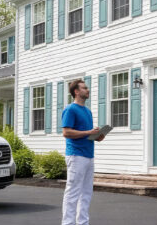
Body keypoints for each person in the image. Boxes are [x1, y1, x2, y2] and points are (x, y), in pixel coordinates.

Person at [61, 79, 105, 225]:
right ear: (76, 91)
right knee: (73, 192)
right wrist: (88, 132)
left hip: (89, 155)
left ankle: (83, 223)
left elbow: (87, 134)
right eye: (84, 88)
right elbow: (66, 132)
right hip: (76, 155)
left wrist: (97, 136)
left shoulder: (88, 111)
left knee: (86, 193)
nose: (88, 90)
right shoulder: (70, 109)